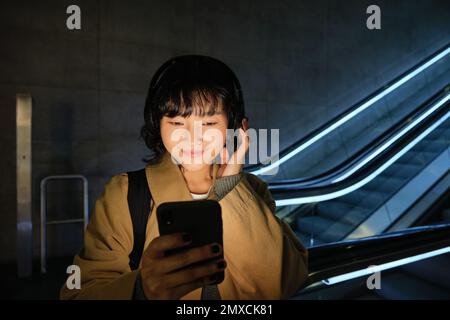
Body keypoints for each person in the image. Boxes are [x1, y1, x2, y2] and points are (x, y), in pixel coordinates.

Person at [60, 55, 308, 300]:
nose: (193, 137)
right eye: (177, 122)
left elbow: (282, 282)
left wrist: (230, 186)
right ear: (158, 124)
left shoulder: (253, 190)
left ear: (234, 126)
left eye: (209, 122)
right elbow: (79, 294)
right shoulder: (125, 193)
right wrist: (141, 290)